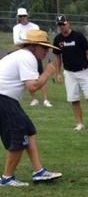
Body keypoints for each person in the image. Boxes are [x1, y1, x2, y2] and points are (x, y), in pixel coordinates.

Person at [0, 29, 62, 187]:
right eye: (44, 47)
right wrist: (48, 73)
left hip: (7, 98)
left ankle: (38, 171)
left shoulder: (23, 55)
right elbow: (33, 87)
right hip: (3, 98)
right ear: (33, 46)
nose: (47, 51)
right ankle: (7, 178)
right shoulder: (27, 57)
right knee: (18, 135)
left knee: (29, 130)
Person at [52, 14, 88, 132]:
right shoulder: (58, 39)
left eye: (63, 24)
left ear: (68, 23)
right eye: (59, 25)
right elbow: (58, 57)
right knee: (74, 99)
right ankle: (79, 123)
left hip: (84, 71)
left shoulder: (78, 36)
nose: (61, 27)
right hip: (69, 73)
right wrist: (58, 73)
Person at [12, 8, 52, 107]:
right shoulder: (16, 28)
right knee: (28, 77)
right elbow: (16, 41)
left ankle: (46, 100)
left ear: (27, 16)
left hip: (35, 54)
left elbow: (38, 41)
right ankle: (34, 99)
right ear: (18, 17)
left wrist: (25, 40)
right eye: (20, 16)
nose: (23, 18)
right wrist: (29, 41)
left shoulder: (35, 26)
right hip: (24, 54)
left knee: (40, 74)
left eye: (24, 16)